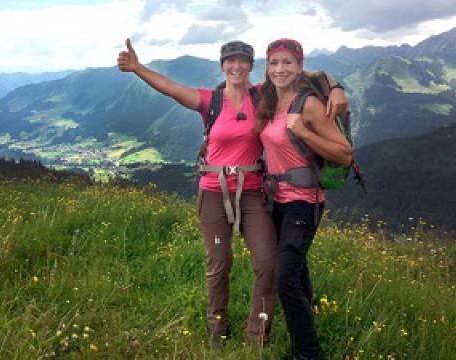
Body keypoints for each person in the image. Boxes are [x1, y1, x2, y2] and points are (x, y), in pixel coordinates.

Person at [117, 38, 348, 347]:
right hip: (213, 192)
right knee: (219, 262)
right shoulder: (210, 101)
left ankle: (258, 337)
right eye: (230, 61)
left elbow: (304, 74)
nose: (236, 66)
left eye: (243, 61)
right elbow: (171, 88)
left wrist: (335, 87)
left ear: (252, 67)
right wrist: (136, 68)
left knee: (268, 264)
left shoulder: (262, 95)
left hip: (253, 192)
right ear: (222, 65)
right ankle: (218, 328)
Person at [256, 38, 352, 359]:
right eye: (274, 63)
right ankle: (308, 322)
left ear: (299, 67)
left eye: (287, 63)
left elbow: (345, 154)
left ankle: (308, 353)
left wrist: (305, 132)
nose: (280, 69)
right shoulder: (268, 99)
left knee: (284, 277)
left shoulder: (308, 104)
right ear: (267, 68)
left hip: (303, 201)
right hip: (275, 200)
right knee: (295, 271)